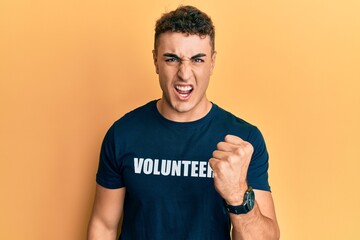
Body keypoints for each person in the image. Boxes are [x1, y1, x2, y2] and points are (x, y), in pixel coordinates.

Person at [87, 5, 280, 240]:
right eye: (172, 59)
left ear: (212, 62)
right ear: (156, 61)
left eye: (197, 59)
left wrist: (238, 194)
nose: (184, 74)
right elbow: (104, 225)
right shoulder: (123, 134)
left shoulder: (243, 141)